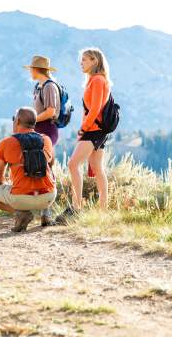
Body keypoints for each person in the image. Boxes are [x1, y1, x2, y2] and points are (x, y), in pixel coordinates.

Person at [56, 48, 111, 224]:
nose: (81, 63)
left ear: (95, 61)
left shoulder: (96, 80)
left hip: (93, 130)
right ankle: (103, 210)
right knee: (97, 167)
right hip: (98, 130)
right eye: (81, 60)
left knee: (73, 165)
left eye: (85, 60)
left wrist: (83, 129)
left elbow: (95, 109)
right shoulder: (99, 80)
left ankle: (76, 208)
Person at [0, 107, 57, 232]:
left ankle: (20, 213)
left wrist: (11, 184)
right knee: (48, 179)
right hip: (48, 197)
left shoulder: (6, 143)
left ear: (17, 121)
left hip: (20, 198)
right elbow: (50, 169)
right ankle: (46, 213)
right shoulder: (46, 140)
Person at [24, 55, 61, 146]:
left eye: (31, 69)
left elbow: (50, 112)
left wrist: (32, 120)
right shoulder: (38, 86)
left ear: (36, 69)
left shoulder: (49, 87)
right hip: (39, 129)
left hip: (47, 130)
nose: (30, 72)